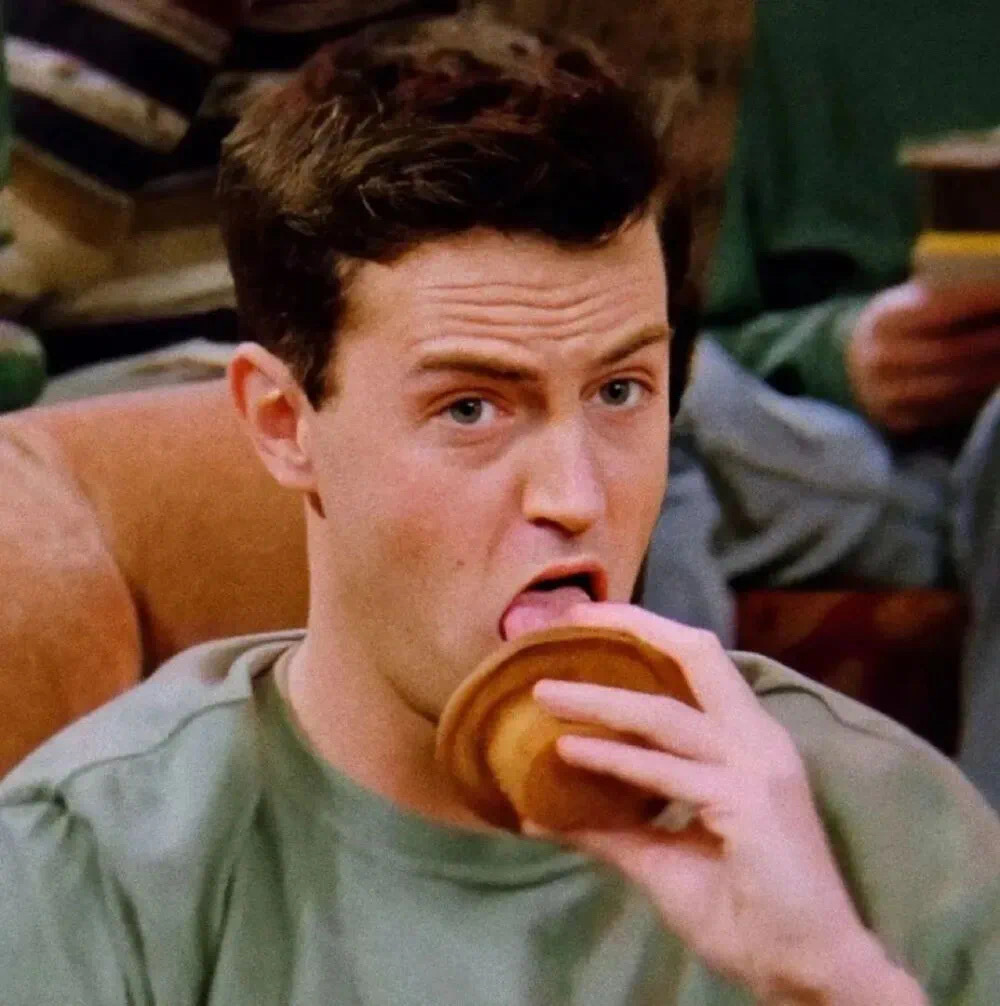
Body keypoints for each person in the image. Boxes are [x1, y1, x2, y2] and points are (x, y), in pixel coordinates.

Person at [1, 14, 996, 1004]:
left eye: (619, 391)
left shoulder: (882, 828)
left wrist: (836, 978)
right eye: (469, 408)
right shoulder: (91, 862)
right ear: (281, 422)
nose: (574, 497)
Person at [673, 0, 1000, 807]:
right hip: (812, 463)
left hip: (978, 478)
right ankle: (680, 822)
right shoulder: (749, 35)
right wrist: (838, 354)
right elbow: (672, 322)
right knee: (652, 392)